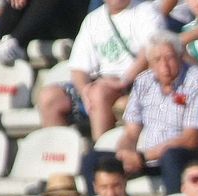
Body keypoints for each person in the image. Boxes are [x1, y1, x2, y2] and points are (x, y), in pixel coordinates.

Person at [82, 34, 198, 196]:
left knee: (171, 157)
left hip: (188, 154)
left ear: (180, 57)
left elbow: (191, 138)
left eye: (170, 58)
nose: (164, 66)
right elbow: (131, 132)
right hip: (147, 157)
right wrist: (125, 153)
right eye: (157, 60)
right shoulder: (143, 81)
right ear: (149, 63)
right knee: (92, 159)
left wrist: (143, 155)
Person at [66, 0, 165, 141]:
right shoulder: (92, 19)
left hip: (138, 81)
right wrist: (84, 91)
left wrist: (123, 81)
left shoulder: (146, 10)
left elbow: (151, 51)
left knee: (99, 93)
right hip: (102, 80)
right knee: (50, 97)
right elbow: (78, 67)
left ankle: (101, 153)